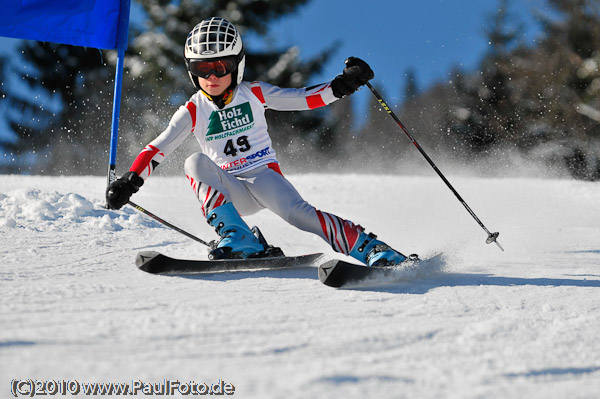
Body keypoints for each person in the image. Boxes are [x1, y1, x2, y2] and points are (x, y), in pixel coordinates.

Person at [106, 16, 407, 267]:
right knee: (194, 162)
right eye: (202, 68)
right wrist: (130, 181)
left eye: (220, 66)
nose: (212, 76)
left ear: (236, 65)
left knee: (302, 216)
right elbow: (158, 147)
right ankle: (240, 239)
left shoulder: (254, 93)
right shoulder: (194, 109)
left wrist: (343, 85)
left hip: (264, 178)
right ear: (191, 70)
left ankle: (375, 251)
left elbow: (304, 99)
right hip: (230, 190)